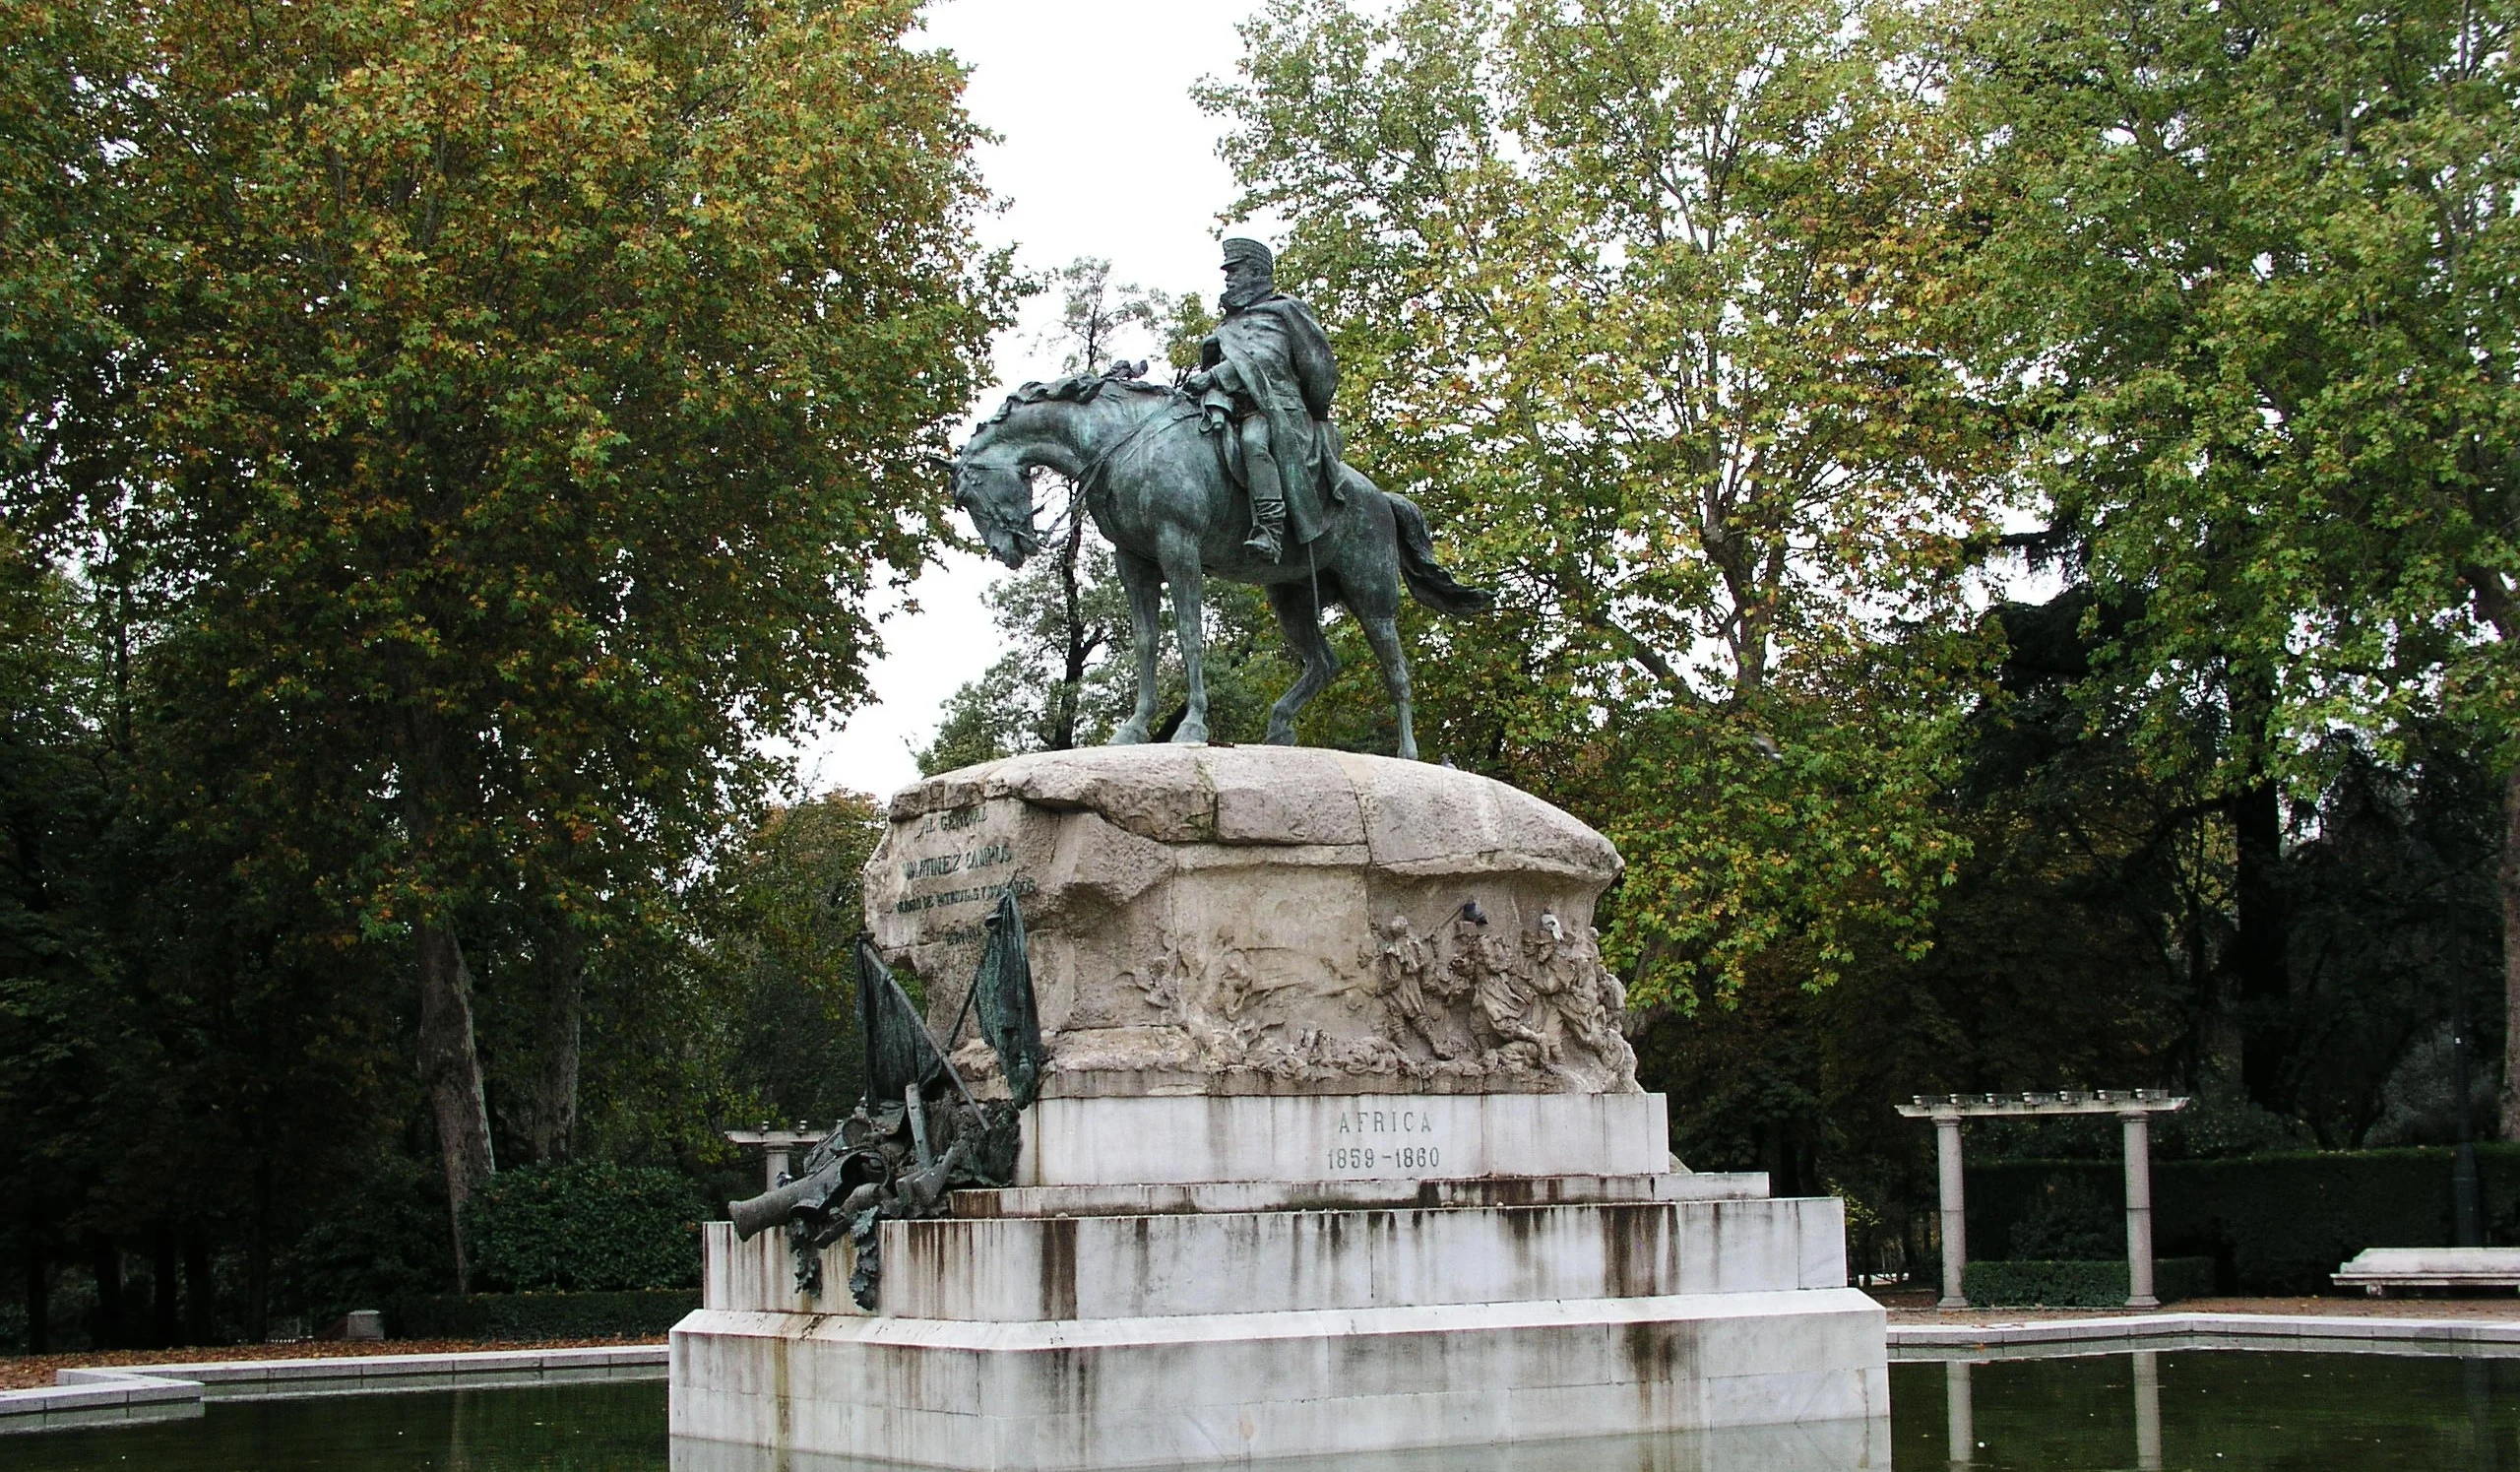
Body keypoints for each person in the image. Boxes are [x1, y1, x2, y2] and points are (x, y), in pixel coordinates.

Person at [1183, 237, 1340, 561]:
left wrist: (1214, 376)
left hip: (1275, 409)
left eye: (1234, 271)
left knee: (1254, 442)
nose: (1228, 279)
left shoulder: (1282, 311)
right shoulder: (1231, 323)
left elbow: (1266, 359)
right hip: (1230, 408)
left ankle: (1270, 529)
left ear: (1255, 272)